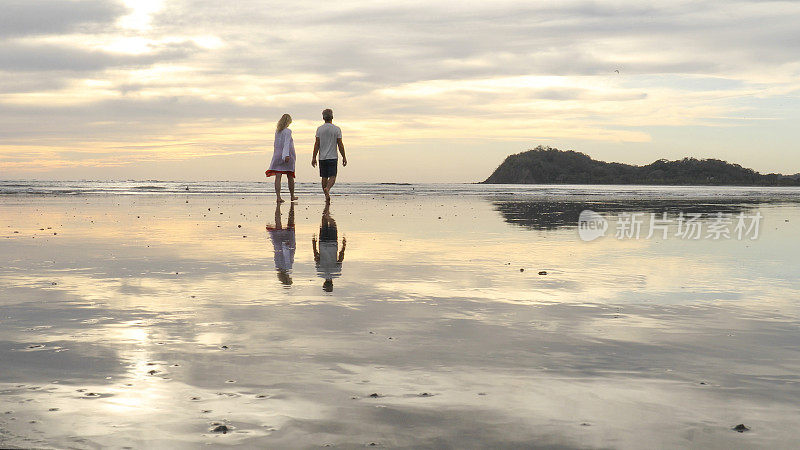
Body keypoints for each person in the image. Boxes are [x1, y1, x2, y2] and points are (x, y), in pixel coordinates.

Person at [311, 108, 347, 202]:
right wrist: (344, 156)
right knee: (333, 176)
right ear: (332, 117)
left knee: (324, 176)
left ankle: (325, 195)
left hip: (322, 157)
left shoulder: (319, 129)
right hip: (333, 157)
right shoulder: (337, 129)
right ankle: (328, 189)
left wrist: (314, 157)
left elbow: (317, 144)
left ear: (323, 118)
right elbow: (340, 144)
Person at [312, 203, 346, 292]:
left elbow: (341, 257)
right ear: (324, 283)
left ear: (332, 284)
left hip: (332, 244)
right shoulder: (320, 273)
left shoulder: (336, 273)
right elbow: (316, 256)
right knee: (323, 225)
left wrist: (344, 245)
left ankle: (327, 212)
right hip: (323, 244)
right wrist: (313, 244)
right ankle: (326, 212)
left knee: (333, 224)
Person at [265, 113, 297, 203]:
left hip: (277, 154)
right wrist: (286, 155)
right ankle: (292, 196)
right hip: (287, 155)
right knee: (290, 176)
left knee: (278, 176)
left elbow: (276, 144)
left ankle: (278, 197)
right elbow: (286, 144)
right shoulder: (288, 131)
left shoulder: (277, 131)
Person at [267, 202, 295, 286]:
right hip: (280, 245)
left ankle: (280, 207)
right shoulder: (278, 267)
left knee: (288, 225)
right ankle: (279, 208)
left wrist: (285, 246)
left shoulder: (286, 267)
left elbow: (287, 256)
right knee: (278, 224)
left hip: (286, 245)